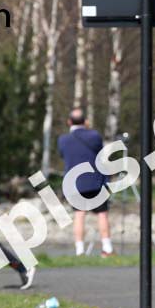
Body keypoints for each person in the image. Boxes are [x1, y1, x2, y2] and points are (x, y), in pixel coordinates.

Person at [57, 108, 113, 257]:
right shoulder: (94, 136)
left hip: (74, 183)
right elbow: (100, 152)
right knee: (102, 214)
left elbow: (62, 154)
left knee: (79, 215)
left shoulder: (63, 140)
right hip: (95, 182)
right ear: (85, 121)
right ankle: (107, 249)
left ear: (69, 122)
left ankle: (79, 250)